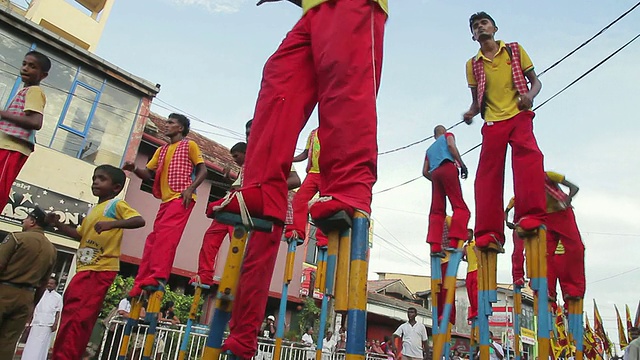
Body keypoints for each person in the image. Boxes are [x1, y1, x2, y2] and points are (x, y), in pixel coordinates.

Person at [208, 0, 387, 355]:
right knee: (279, 78)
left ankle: (350, 188)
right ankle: (261, 188)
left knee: (344, 83)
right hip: (314, 10)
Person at [463, 11, 546, 251]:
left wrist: (529, 96)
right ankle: (489, 232)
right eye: (476, 26)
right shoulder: (473, 64)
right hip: (492, 122)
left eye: (484, 23)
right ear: (473, 35)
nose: (480, 28)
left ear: (495, 28)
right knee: (487, 175)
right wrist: (470, 112)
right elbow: (477, 102)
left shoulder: (514, 50)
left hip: (518, 115)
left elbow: (536, 82)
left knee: (529, 158)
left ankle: (529, 215)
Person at [49, 165, 145, 359]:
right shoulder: (94, 210)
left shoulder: (115, 205)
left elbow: (138, 220)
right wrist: (57, 224)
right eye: (94, 178)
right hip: (84, 269)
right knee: (71, 316)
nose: (96, 182)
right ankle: (63, 354)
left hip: (99, 269)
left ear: (116, 187)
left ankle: (65, 356)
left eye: (102, 179)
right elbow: (79, 235)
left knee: (78, 318)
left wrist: (112, 224)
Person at [123, 113, 207, 296]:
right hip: (166, 201)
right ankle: (140, 281)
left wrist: (190, 188)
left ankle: (157, 276)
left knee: (166, 238)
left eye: (171, 123)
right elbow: (147, 173)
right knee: (153, 239)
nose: (166, 125)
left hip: (181, 198)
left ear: (181, 128)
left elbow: (203, 169)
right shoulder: (161, 150)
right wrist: (135, 168)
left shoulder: (189, 145)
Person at [506, 171, 585, 301]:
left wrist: (567, 199)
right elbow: (508, 209)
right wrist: (509, 222)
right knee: (545, 255)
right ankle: (548, 291)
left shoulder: (548, 176)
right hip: (545, 219)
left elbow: (574, 188)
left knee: (575, 249)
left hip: (563, 214)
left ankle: (573, 289)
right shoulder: (523, 191)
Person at [0, 207, 56, 359]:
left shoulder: (17, 238)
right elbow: (44, 283)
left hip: (4, 291)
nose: (23, 221)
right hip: (26, 298)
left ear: (32, 222)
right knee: (8, 343)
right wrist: (32, 305)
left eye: (26, 218)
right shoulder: (51, 249)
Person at [0, 51, 50, 211]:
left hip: (12, 148)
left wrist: (2, 114)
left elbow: (36, 122)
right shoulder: (25, 91)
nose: (26, 68)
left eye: (32, 66)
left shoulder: (35, 91)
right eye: (24, 64)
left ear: (43, 75)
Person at [192, 142, 247, 286]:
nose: (234, 160)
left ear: (245, 153)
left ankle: (240, 278)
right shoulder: (243, 169)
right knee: (210, 240)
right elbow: (238, 187)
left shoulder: (253, 164)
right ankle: (205, 274)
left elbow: (244, 190)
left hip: (240, 209)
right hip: (232, 207)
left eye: (236, 156)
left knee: (237, 245)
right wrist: (230, 180)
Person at [423, 125, 470, 254]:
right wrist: (462, 165)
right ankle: (454, 241)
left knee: (437, 210)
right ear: (443, 131)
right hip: (447, 167)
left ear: (434, 135)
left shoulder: (429, 150)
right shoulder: (448, 135)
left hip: (435, 173)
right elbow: (451, 147)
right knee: (460, 206)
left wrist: (436, 180)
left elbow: (424, 172)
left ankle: (435, 246)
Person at [286, 128, 327, 246]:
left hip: (328, 173)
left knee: (325, 204)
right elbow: (305, 153)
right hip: (313, 173)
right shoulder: (313, 133)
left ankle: (324, 239)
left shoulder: (335, 129)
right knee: (299, 200)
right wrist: (291, 159)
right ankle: (297, 231)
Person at [22, 277, 63, 360]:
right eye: (48, 283)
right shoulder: (40, 294)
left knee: (42, 344)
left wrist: (55, 324)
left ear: (55, 285)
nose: (49, 285)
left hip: (48, 323)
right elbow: (33, 308)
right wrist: (29, 322)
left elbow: (58, 312)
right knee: (31, 343)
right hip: (36, 322)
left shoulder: (58, 297)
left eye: (51, 283)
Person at [463, 229, 478, 320]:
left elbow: (478, 255)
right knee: (469, 291)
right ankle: (473, 310)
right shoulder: (466, 246)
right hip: (469, 270)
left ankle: (476, 310)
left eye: (468, 233)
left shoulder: (475, 244)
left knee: (475, 291)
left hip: (476, 269)